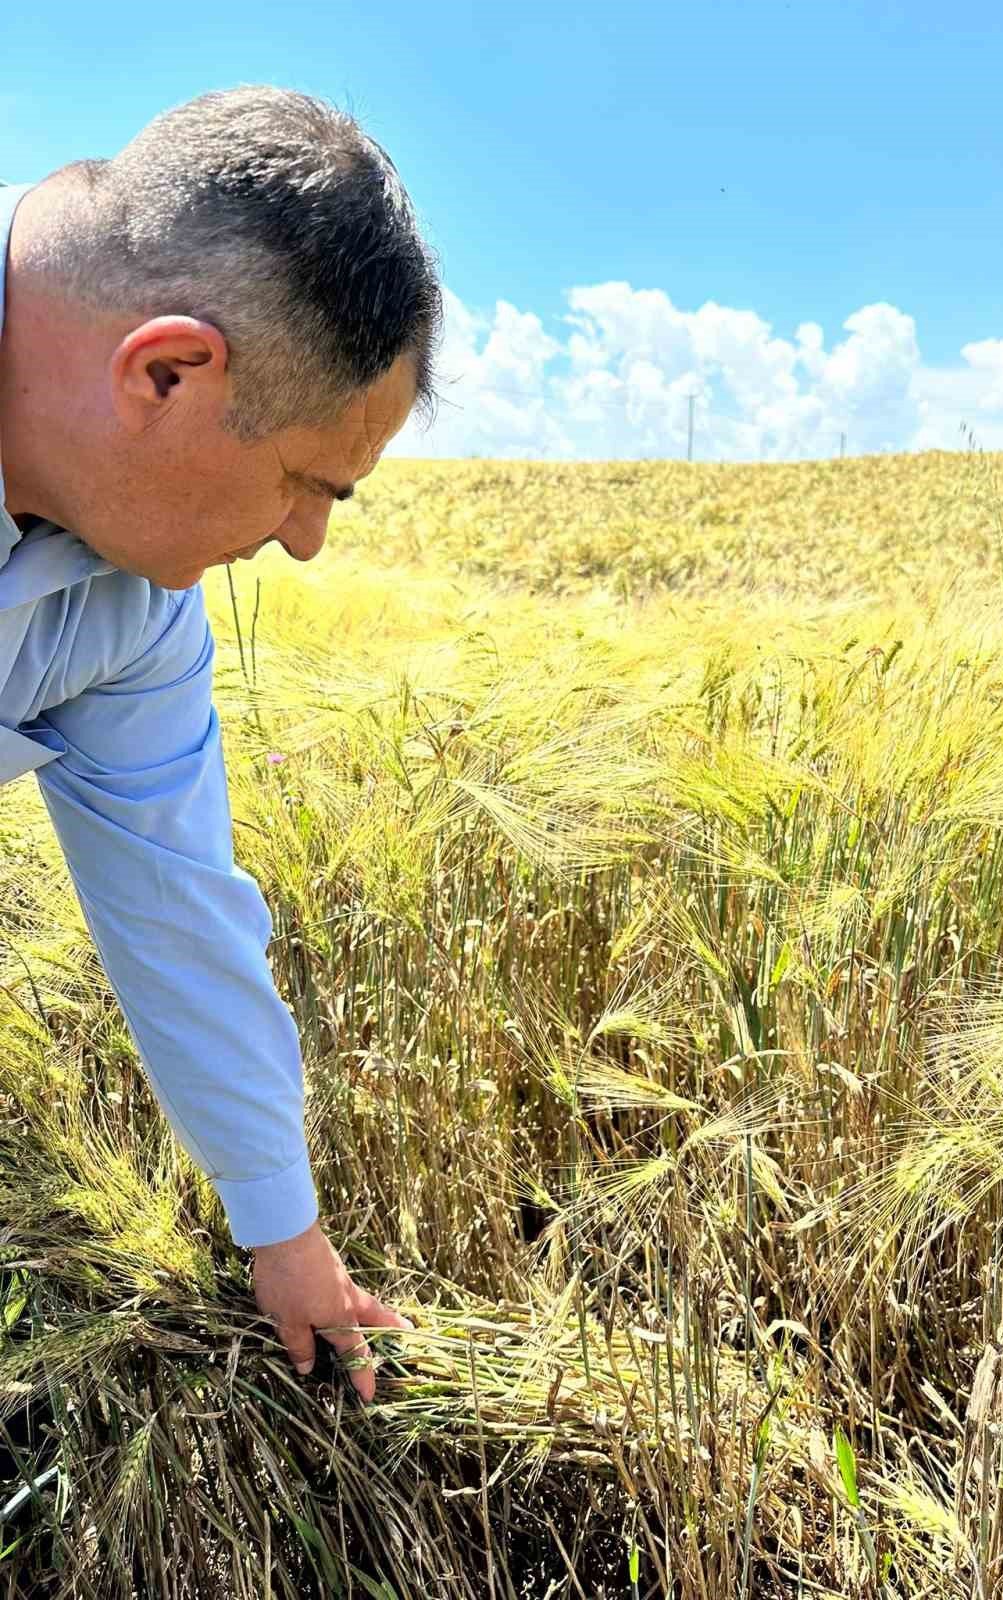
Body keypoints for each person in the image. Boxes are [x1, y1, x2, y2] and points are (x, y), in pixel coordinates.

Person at [0, 87, 443, 1403]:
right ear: (167, 372)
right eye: (311, 482)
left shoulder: (130, 603)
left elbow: (175, 900)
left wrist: (282, 1227)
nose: (305, 541)